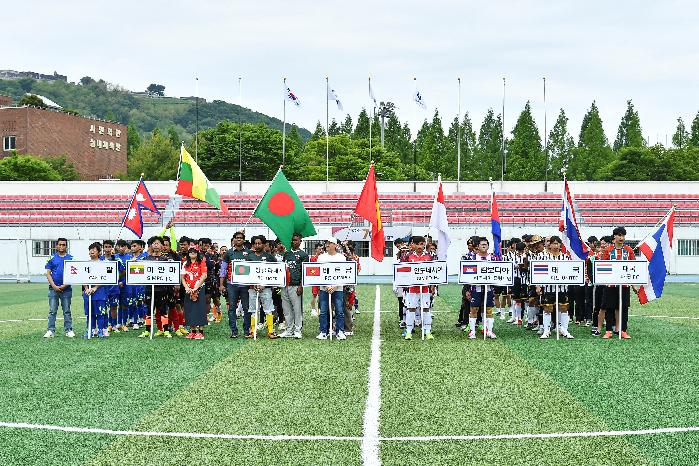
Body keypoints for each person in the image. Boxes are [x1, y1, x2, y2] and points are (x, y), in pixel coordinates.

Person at [600, 227, 636, 339]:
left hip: (624, 284)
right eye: (619, 235)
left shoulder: (629, 250)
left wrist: (634, 285)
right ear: (614, 236)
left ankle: (623, 330)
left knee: (624, 307)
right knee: (609, 307)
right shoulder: (608, 250)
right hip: (610, 284)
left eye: (623, 235)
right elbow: (603, 266)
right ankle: (609, 330)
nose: (621, 238)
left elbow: (633, 267)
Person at [537, 236, 573, 339]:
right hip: (548, 287)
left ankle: (564, 329)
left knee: (564, 308)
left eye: (558, 244)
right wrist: (538, 286)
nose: (556, 246)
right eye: (554, 243)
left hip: (562, 287)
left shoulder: (565, 257)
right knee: (547, 308)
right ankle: (546, 330)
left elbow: (570, 271)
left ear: (560, 245)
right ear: (550, 244)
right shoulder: (543, 257)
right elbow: (537, 273)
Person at [139, 236, 175, 338]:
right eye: (154, 243)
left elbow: (173, 272)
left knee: (163, 310)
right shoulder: (145, 259)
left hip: (162, 289)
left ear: (162, 246)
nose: (156, 245)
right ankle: (147, 330)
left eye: (158, 243)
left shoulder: (167, 260)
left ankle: (166, 330)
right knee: (148, 310)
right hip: (149, 289)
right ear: (151, 245)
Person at [220, 231, 251, 338]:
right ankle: (234, 330)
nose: (239, 239)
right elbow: (223, 269)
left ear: (243, 240)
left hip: (245, 285)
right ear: (233, 239)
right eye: (237, 238)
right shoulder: (228, 253)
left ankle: (247, 330)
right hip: (231, 284)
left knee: (247, 308)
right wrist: (221, 284)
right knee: (232, 307)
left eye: (241, 238)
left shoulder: (248, 252)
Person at [246, 235, 279, 339]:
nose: (257, 245)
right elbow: (246, 273)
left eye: (259, 243)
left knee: (268, 309)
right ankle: (252, 330)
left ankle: (270, 331)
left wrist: (264, 284)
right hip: (252, 288)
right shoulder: (249, 257)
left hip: (266, 288)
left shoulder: (270, 257)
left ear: (264, 244)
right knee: (253, 309)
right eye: (255, 243)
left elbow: (275, 272)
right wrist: (253, 284)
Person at [315, 237, 347, 341]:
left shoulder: (341, 258)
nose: (327, 245)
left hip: (338, 288)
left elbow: (344, 274)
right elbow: (318, 273)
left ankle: (340, 331)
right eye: (326, 243)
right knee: (323, 311)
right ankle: (323, 331)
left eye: (330, 243)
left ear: (335, 245)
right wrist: (325, 286)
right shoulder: (321, 258)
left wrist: (335, 286)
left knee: (339, 311)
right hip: (324, 288)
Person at [403, 236, 435, 341]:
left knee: (426, 309)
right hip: (412, 288)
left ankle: (427, 331)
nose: (420, 246)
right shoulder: (408, 256)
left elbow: (434, 272)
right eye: (418, 244)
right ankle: (408, 331)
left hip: (425, 288)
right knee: (411, 309)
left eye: (422, 244)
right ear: (414, 245)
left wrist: (433, 286)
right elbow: (403, 270)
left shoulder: (429, 256)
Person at [467, 237, 499, 339]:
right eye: (482, 244)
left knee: (489, 309)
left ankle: (489, 331)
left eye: (486, 244)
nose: (484, 246)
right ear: (478, 246)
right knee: (474, 309)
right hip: (476, 288)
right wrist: (467, 289)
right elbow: (467, 274)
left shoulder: (493, 258)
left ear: (488, 246)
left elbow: (498, 273)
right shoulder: (472, 258)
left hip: (489, 288)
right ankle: (472, 331)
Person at [279, 233, 308, 339]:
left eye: (296, 240)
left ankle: (298, 330)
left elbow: (305, 272)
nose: (294, 242)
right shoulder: (286, 254)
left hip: (296, 285)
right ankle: (289, 330)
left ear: (300, 241)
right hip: (285, 285)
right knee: (286, 309)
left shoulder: (303, 255)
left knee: (297, 309)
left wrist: (301, 285)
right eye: (292, 240)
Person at [44, 238, 75, 338]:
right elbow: (48, 273)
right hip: (53, 289)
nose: (62, 247)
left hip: (66, 289)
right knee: (52, 310)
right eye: (60, 245)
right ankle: (50, 330)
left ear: (66, 246)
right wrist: (54, 286)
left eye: (64, 245)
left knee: (67, 311)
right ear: (56, 246)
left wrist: (65, 285)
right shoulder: (51, 258)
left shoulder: (71, 259)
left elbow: (74, 274)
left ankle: (69, 330)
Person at [83, 242, 109, 338]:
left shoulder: (103, 264)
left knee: (101, 313)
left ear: (99, 252)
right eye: (90, 249)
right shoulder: (85, 264)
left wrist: (95, 287)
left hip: (100, 293)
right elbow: (82, 278)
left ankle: (101, 330)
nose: (92, 251)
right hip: (88, 293)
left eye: (94, 249)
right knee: (90, 313)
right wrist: (86, 288)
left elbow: (106, 278)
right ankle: (91, 330)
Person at [181, 247, 208, 340]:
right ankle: (192, 331)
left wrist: (196, 287)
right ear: (188, 254)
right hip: (188, 290)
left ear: (197, 253)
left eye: (194, 252)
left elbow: (204, 275)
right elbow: (182, 278)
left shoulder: (201, 262)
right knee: (189, 309)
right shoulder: (185, 264)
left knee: (200, 309)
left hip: (199, 289)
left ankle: (200, 332)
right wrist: (186, 287)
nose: (192, 253)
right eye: (190, 252)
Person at [100, 240, 124, 333]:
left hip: (114, 288)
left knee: (113, 307)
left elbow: (123, 271)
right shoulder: (100, 259)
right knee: (103, 307)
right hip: (102, 288)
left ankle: (113, 325)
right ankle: (105, 325)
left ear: (112, 248)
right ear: (103, 248)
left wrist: (116, 279)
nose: (107, 249)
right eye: (106, 247)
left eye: (109, 247)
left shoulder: (116, 260)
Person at [309, 242, 324, 316]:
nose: (321, 250)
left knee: (321, 295)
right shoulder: (313, 258)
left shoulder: (324, 257)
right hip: (315, 280)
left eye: (322, 249)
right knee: (314, 295)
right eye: (319, 249)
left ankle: (320, 309)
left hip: (322, 280)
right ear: (316, 250)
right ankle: (313, 309)